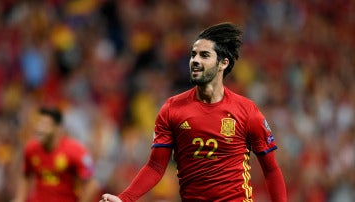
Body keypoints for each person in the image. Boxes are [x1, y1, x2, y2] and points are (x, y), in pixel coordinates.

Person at [101, 23, 287, 202]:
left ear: (223, 63)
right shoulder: (172, 109)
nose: (195, 60)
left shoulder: (246, 111)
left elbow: (270, 169)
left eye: (204, 55)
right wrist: (124, 198)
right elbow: (156, 166)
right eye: (193, 55)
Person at [13, 107, 98, 202]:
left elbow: (92, 184)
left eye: (45, 125)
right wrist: (19, 199)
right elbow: (26, 175)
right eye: (39, 123)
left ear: (58, 128)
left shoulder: (77, 151)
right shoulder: (31, 149)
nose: (39, 129)